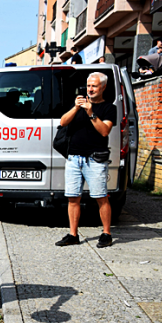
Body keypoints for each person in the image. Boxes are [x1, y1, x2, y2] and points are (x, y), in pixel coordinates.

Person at [55, 72, 116, 248]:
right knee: (73, 197)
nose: (90, 89)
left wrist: (91, 113)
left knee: (101, 197)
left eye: (94, 86)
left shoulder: (109, 108)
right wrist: (76, 107)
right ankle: (73, 234)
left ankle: (106, 233)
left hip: (95, 159)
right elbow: (63, 122)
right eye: (88, 85)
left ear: (103, 87)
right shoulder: (79, 105)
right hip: (74, 158)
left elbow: (104, 131)